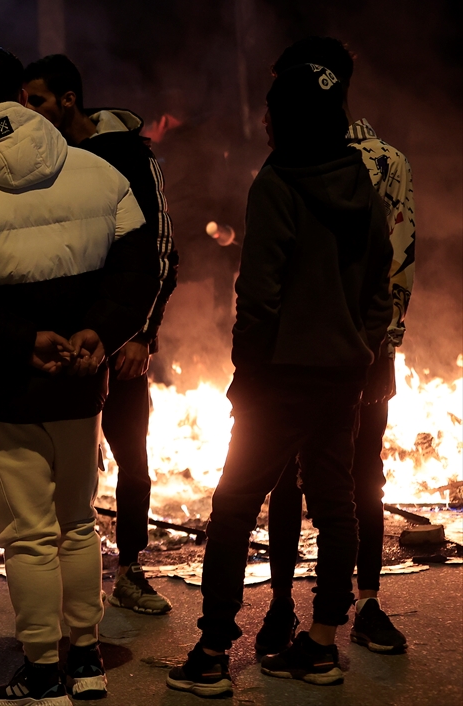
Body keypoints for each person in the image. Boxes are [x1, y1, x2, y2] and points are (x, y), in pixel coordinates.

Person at [0, 46, 159, 704]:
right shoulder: (96, 174)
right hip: (82, 385)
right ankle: (87, 661)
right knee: (77, 524)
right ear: (22, 99)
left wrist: (25, 342)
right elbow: (140, 268)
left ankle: (43, 670)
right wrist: (98, 335)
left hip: (1, 390)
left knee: (27, 537)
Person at [167, 63, 392, 697]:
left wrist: (247, 373)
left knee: (235, 505)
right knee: (335, 501)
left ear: (291, 118)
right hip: (342, 375)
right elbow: (381, 284)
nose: (264, 121)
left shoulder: (276, 183)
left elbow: (259, 293)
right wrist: (363, 345)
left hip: (281, 376)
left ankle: (213, 651)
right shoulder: (361, 182)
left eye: (272, 111)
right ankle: (321, 646)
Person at [256, 37, 417, 657]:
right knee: (308, 482)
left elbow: (397, 263)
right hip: (317, 353)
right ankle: (284, 607)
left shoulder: (382, 163)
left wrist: (381, 346)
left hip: (348, 355)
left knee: (352, 479)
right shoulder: (287, 161)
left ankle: (361, 604)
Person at [24, 54, 180, 616]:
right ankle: (67, 579)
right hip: (61, 345)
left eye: (37, 101)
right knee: (63, 469)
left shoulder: (132, 157)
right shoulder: (40, 160)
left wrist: (140, 334)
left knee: (132, 462)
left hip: (117, 342)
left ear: (69, 100)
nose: (28, 112)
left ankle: (132, 570)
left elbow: (163, 251)